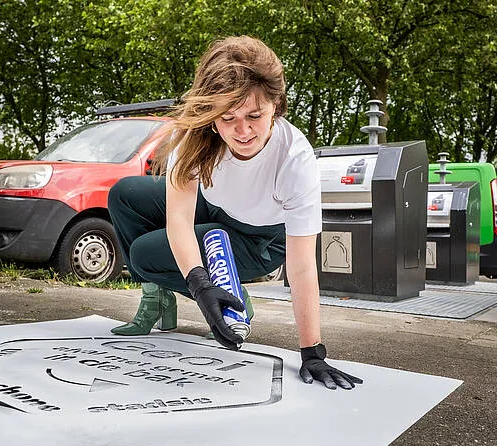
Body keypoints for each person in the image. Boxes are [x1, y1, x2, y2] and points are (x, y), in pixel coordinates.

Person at [108, 36, 362, 390]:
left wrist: (312, 352)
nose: (242, 131)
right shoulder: (194, 141)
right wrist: (199, 284)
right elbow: (178, 219)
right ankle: (159, 297)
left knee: (143, 256)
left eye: (254, 116)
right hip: (216, 211)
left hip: (259, 239)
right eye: (228, 118)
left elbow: (302, 265)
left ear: (277, 105)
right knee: (126, 194)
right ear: (212, 116)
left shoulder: (294, 160)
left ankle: (231, 298)